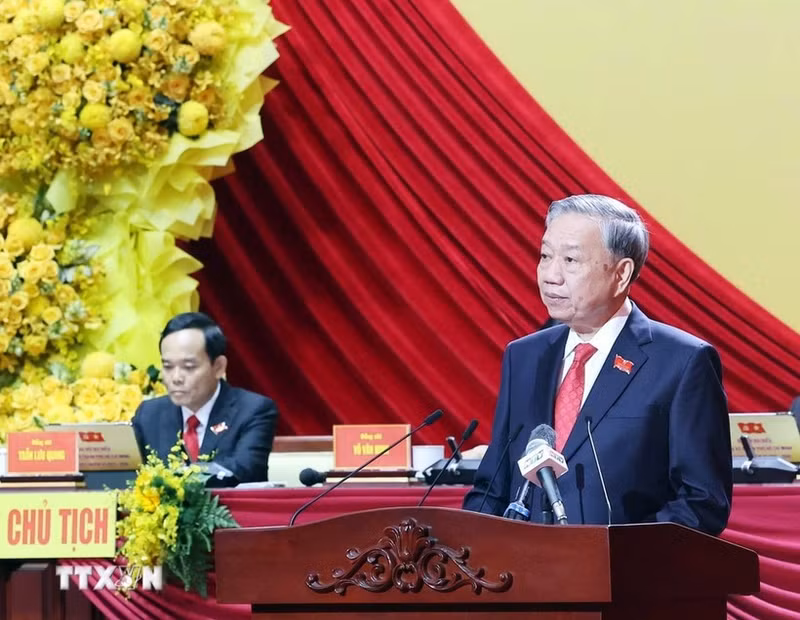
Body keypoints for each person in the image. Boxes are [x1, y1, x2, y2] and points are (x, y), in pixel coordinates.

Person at [463, 194, 732, 535]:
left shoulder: (682, 362)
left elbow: (702, 502)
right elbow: (492, 488)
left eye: (571, 260)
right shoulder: (525, 356)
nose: (550, 275)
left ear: (621, 274)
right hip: (525, 578)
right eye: (545, 256)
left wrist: (618, 559)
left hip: (624, 580)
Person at [132, 312, 278, 483]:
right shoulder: (149, 414)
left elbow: (246, 468)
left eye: (188, 367)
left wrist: (177, 477)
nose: (176, 377)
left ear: (218, 367)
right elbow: (127, 473)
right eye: (168, 366)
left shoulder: (253, 410)